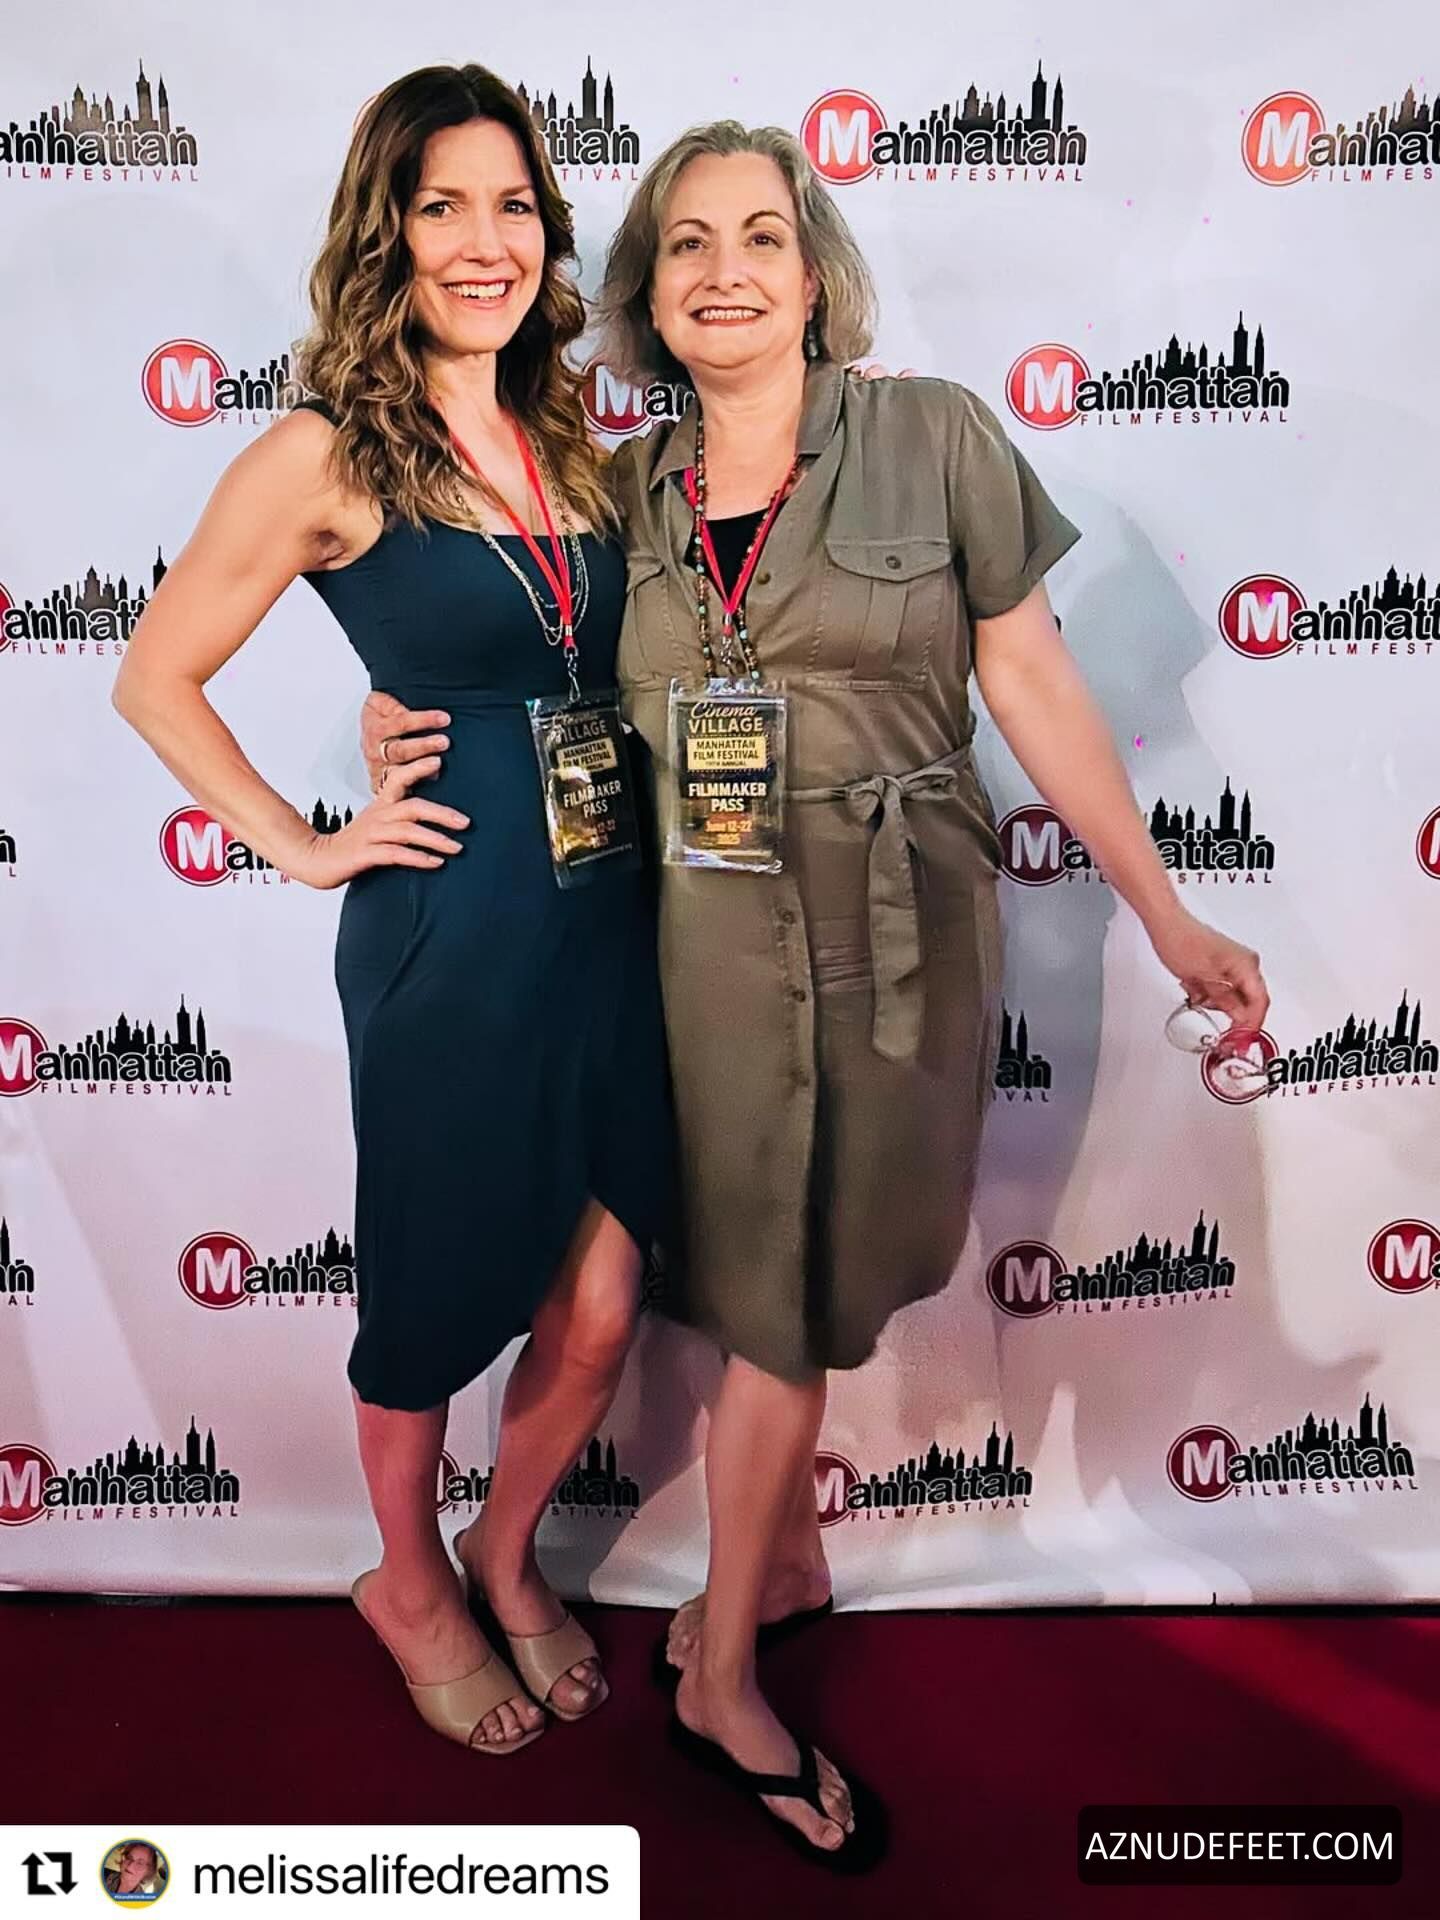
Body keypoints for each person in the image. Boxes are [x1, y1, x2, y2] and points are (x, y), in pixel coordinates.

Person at [364, 119, 1269, 1864]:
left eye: (760, 238)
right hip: (688, 952)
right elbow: (512, 660)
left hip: (899, 927)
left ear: (812, 270)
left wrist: (1164, 910)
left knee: (827, 1271)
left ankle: (760, 1571)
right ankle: (721, 1672)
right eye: (687, 245)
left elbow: (1034, 679)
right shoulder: (615, 493)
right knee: (751, 1288)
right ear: (646, 295)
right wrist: (402, 718)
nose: (725, 273)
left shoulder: (934, 437)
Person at [113, 64, 675, 1753]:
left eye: (513, 206)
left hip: (614, 925)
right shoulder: (325, 450)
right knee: (431, 1298)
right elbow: (155, 678)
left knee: (602, 1298)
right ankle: (406, 1578)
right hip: (454, 929)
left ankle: (503, 1551)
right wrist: (301, 843)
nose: (486, 242)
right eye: (445, 207)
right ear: (390, 232)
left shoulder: (573, 438)